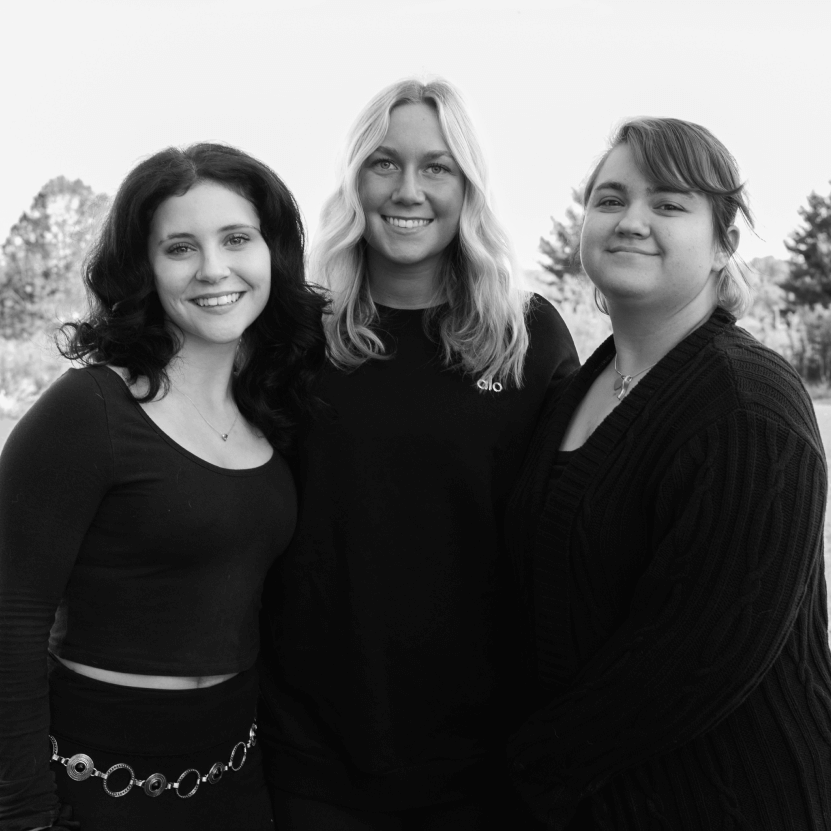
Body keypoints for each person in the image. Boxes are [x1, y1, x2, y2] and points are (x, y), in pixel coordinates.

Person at [257, 77, 579, 830]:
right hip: (312, 755)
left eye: (437, 166)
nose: (408, 190)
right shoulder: (294, 335)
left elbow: (567, 531)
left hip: (484, 761)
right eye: (384, 163)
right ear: (354, 181)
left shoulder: (526, 337)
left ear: (468, 187)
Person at [505, 117, 831, 829]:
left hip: (728, 802)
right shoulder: (577, 390)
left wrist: (523, 771)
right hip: (597, 800)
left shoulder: (748, 409)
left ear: (723, 244)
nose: (631, 220)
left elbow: (698, 660)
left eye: (669, 204)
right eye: (610, 199)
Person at [0, 142, 327, 831]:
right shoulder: (90, 409)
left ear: (272, 252)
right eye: (180, 248)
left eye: (236, 239)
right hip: (93, 786)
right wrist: (25, 813)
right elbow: (10, 614)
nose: (213, 268)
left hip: (235, 778)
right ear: (143, 268)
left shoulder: (274, 410)